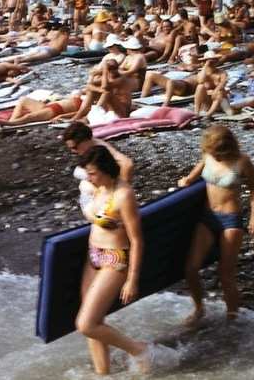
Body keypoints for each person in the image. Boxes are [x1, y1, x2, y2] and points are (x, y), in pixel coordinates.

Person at [75, 145, 150, 375]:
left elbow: (137, 240)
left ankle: (139, 350)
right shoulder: (96, 188)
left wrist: (132, 279)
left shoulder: (123, 195)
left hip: (115, 260)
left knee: (86, 324)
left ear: (106, 170)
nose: (89, 177)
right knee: (94, 322)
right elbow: (89, 206)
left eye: (93, 172)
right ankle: (103, 374)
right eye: (87, 172)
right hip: (94, 257)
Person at [177, 125, 254, 325]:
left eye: (219, 152)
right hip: (207, 218)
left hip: (230, 220)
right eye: (213, 152)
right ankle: (199, 309)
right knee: (190, 268)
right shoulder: (207, 156)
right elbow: (191, 177)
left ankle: (232, 317)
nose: (216, 156)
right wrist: (185, 181)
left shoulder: (242, 161)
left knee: (226, 274)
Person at [63, 122, 133, 182]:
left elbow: (127, 163)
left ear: (85, 141)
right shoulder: (89, 145)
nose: (73, 151)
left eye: (75, 147)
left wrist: (121, 187)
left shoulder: (100, 147)